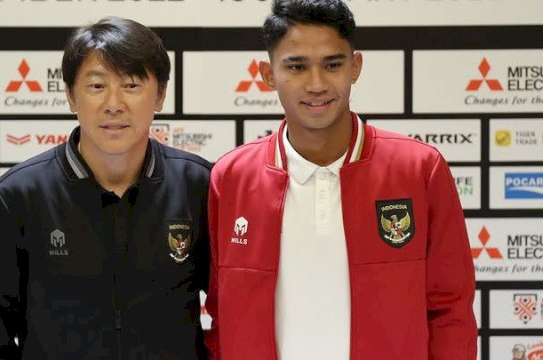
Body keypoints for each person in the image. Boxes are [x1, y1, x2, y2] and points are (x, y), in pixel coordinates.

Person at [204, 0, 477, 359]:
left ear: (355, 66)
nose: (316, 84)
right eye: (297, 66)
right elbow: (221, 317)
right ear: (267, 74)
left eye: (332, 64)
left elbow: (450, 310)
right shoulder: (232, 177)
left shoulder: (419, 169)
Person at [0, 16, 210, 359]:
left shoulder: (199, 184)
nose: (113, 103)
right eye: (97, 86)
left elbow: (235, 309)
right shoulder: (21, 194)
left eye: (131, 85)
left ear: (160, 94)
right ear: (69, 95)